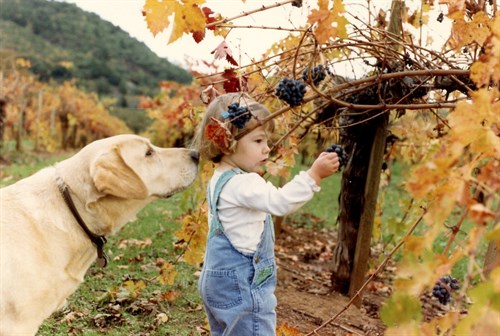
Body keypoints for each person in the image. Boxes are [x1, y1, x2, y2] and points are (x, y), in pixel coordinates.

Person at [192, 92, 340, 336]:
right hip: (241, 285)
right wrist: (313, 176)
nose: (267, 148)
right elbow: (281, 202)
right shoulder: (245, 183)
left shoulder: (220, 178)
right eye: (258, 141)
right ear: (227, 142)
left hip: (217, 282)